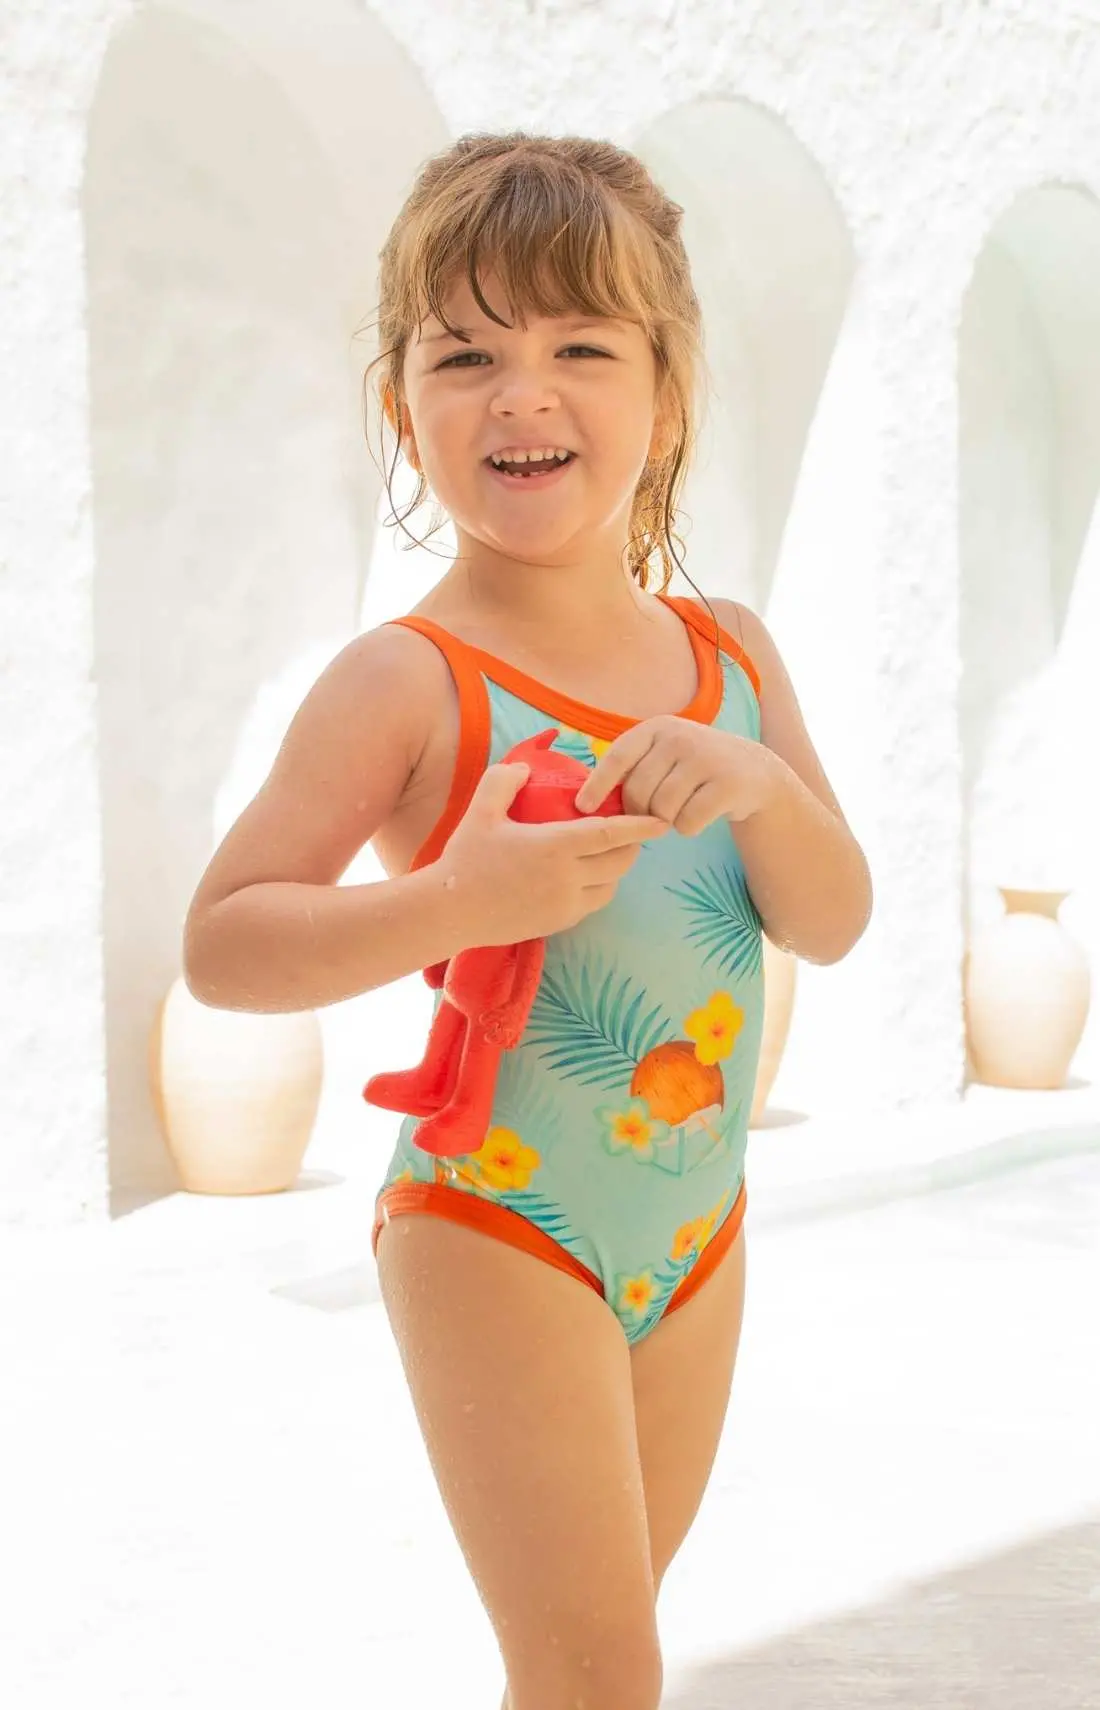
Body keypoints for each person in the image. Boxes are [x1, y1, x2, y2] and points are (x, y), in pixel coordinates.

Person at [183, 132, 873, 1710]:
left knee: (587, 1670)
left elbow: (831, 920)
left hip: (696, 1226)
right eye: (466, 355)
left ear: (667, 393)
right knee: (598, 1672)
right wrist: (457, 898)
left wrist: (766, 787)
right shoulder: (408, 679)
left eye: (581, 348)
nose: (522, 393)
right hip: (498, 1220)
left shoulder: (734, 657)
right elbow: (224, 943)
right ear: (400, 405)